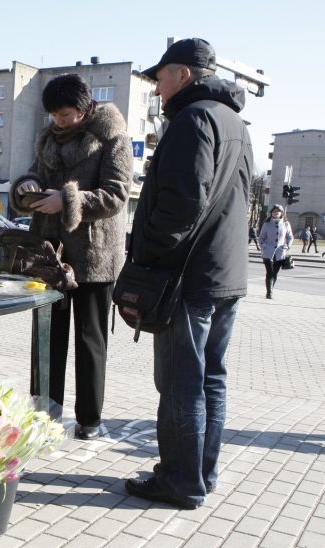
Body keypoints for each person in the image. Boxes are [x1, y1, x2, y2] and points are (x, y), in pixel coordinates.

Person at [124, 38, 253, 509]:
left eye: (159, 78)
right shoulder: (235, 122)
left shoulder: (192, 120)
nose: (157, 89)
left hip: (187, 277)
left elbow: (181, 205)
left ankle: (180, 480)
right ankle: (203, 473)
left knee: (181, 381)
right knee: (211, 377)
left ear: (182, 74)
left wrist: (145, 257)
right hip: (225, 273)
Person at [11, 73, 133, 441]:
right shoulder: (48, 137)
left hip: (94, 256)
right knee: (46, 338)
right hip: (49, 255)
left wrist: (66, 200)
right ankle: (45, 415)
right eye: (54, 115)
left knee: (89, 339)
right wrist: (27, 186)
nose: (59, 121)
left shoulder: (112, 135)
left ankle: (89, 420)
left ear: (84, 108)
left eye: (66, 114)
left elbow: (116, 194)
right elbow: (36, 174)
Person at [258, 205, 294, 299]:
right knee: (269, 272)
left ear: (281, 213)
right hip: (268, 252)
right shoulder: (267, 224)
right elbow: (261, 237)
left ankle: (271, 290)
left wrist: (287, 246)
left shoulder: (286, 224)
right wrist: (264, 246)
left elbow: (290, 237)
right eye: (274, 211)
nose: (276, 213)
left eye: (278, 211)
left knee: (275, 273)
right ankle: (269, 293)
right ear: (271, 213)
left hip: (280, 252)